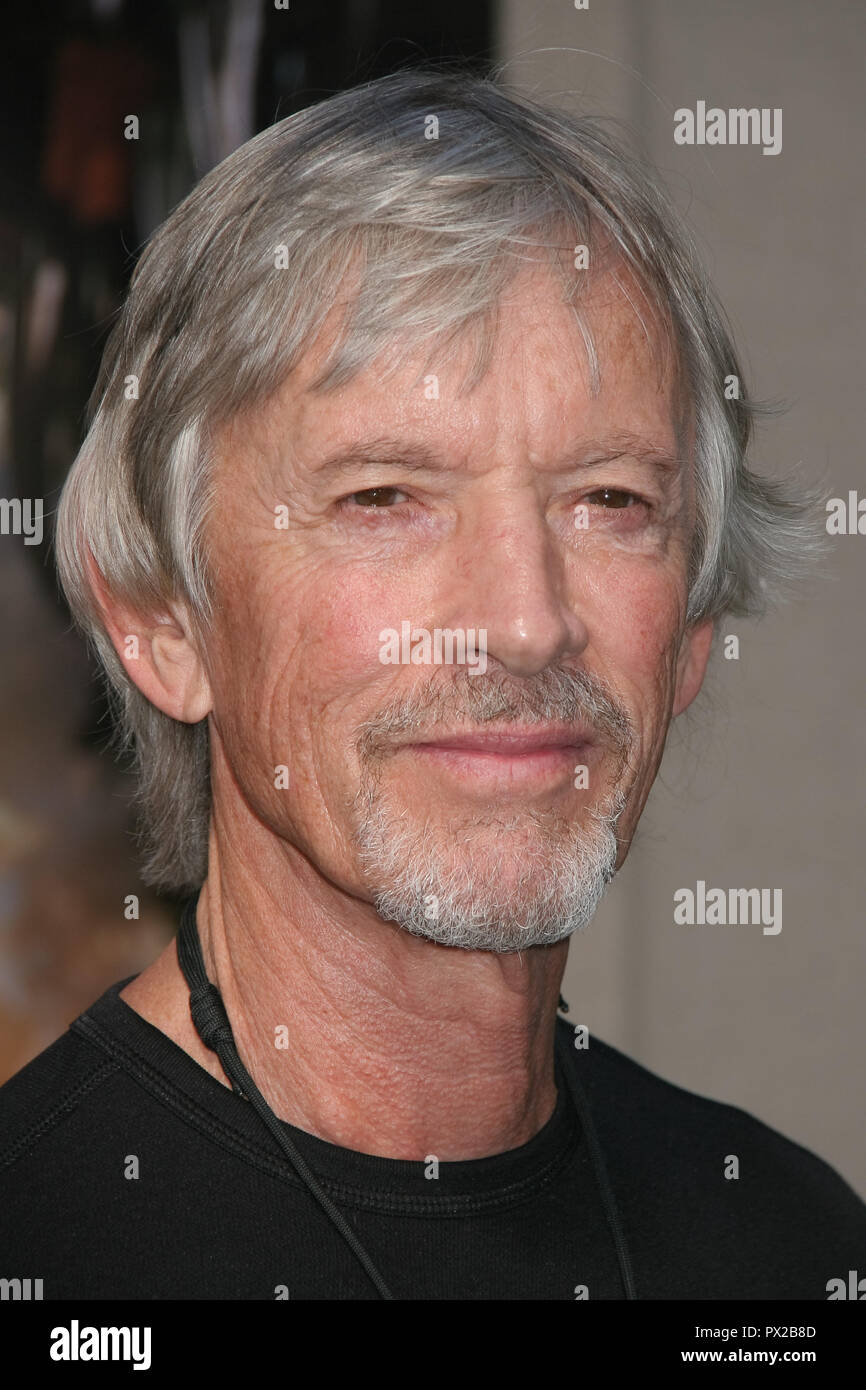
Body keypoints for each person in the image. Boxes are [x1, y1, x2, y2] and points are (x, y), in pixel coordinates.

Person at [1, 67, 863, 1301]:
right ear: (160, 618)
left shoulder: (790, 1250)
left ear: (688, 629)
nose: (524, 620)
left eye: (609, 500)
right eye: (384, 499)